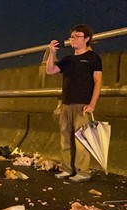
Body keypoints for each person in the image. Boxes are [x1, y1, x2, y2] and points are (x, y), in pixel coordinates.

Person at [46, 24, 102, 182]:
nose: (73, 39)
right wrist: (52, 52)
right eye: (72, 36)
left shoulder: (93, 58)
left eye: (77, 36)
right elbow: (50, 71)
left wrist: (92, 104)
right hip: (66, 104)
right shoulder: (68, 60)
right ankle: (67, 169)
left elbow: (98, 82)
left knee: (81, 140)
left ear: (86, 39)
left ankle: (82, 171)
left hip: (82, 105)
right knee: (65, 138)